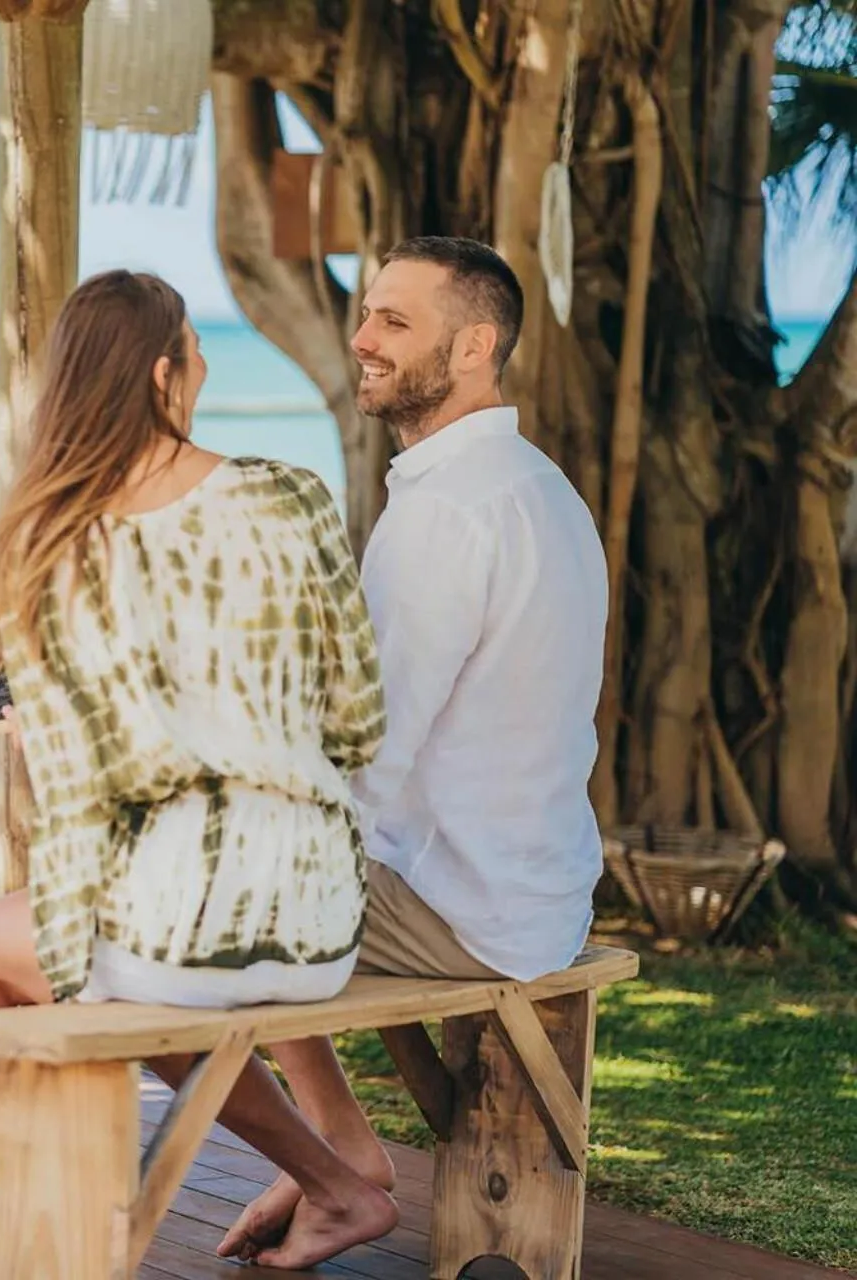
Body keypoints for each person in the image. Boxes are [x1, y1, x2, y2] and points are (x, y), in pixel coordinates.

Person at [0, 270, 398, 1280]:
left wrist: (78, 940)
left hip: (183, 914)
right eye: (197, 349)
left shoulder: (48, 547)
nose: (207, 366)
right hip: (323, 911)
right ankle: (335, 1181)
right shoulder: (290, 493)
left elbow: (73, 798)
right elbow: (360, 719)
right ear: (167, 370)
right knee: (115, 969)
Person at [218, 236, 608, 1260]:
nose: (361, 338)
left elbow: (364, 750)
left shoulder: (448, 511)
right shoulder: (539, 487)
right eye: (366, 314)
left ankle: (338, 1159)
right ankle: (340, 1146)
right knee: (248, 852)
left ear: (475, 345)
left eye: (394, 320)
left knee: (191, 891)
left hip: (466, 902)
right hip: (529, 883)